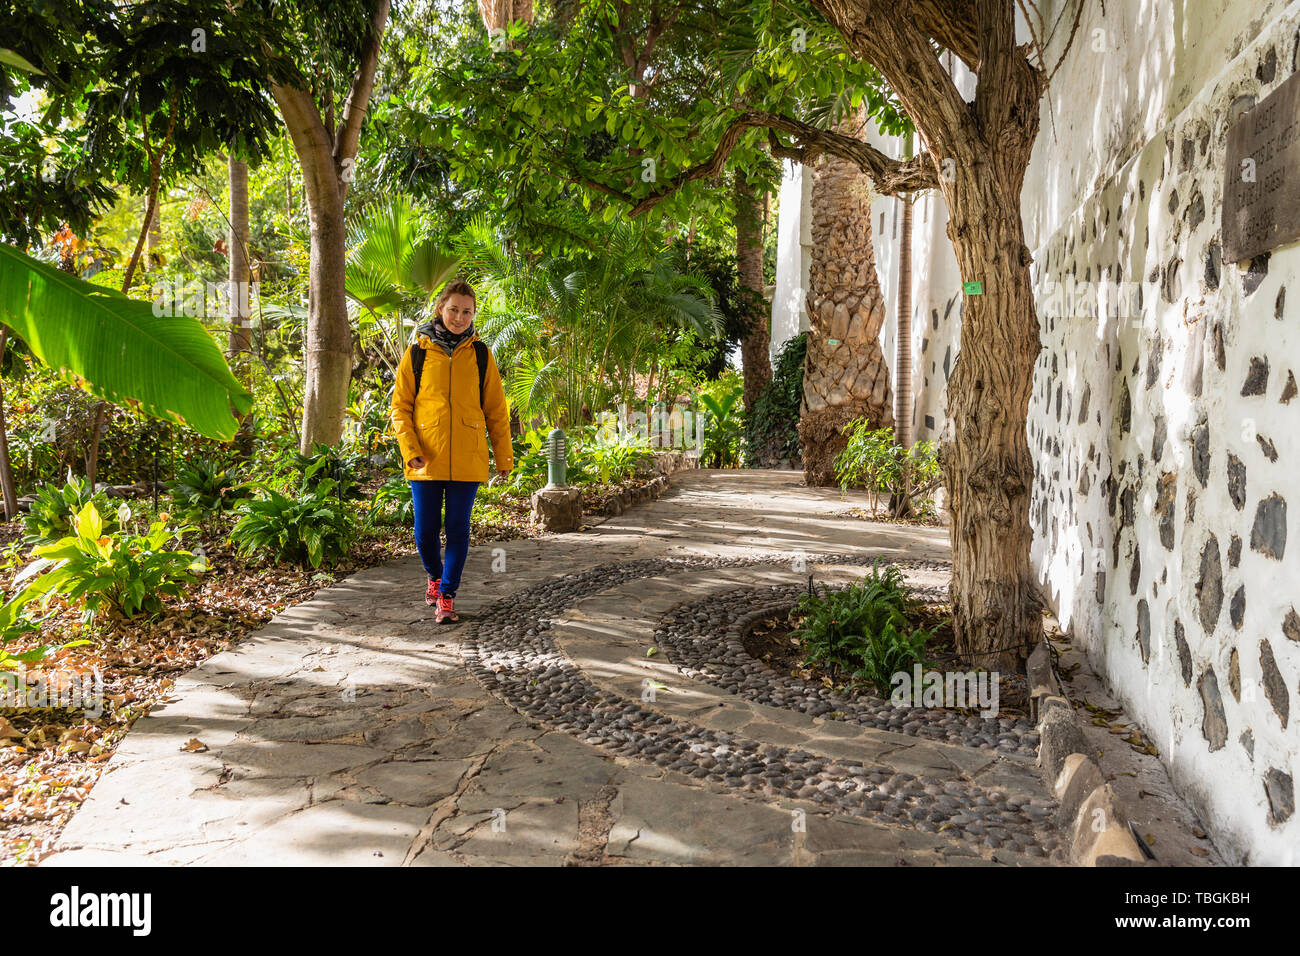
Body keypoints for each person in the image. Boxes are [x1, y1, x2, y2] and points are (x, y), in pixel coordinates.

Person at [390, 279, 512, 623]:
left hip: (469, 457)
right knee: (424, 532)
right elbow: (400, 407)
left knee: (457, 529)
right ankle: (434, 575)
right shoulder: (417, 353)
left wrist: (503, 458)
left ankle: (446, 595)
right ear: (440, 309)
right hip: (425, 456)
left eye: (467, 312)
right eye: (454, 310)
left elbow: (496, 411)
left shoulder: (481, 356)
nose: (460, 317)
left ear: (474, 315)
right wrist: (409, 448)